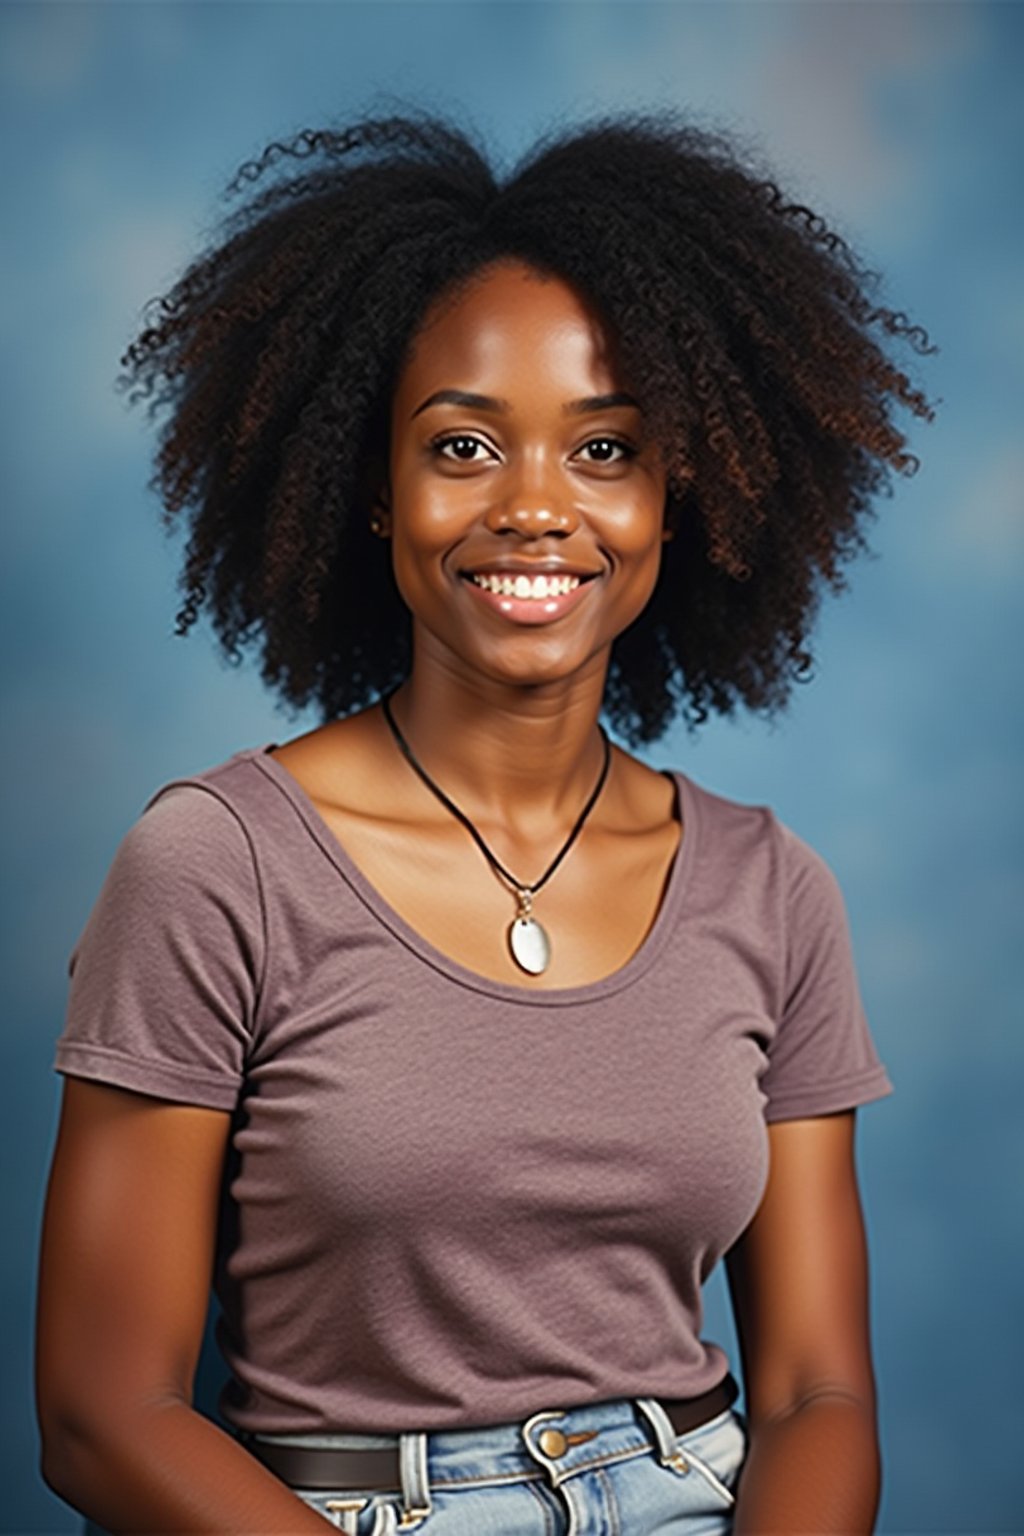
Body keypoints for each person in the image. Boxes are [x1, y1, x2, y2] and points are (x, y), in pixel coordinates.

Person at [35, 108, 933, 1535]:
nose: (534, 509)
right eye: (462, 446)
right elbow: (103, 1418)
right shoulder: (218, 866)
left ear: (678, 497)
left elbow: (821, 1394)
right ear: (371, 493)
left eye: (606, 450)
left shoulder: (774, 890)